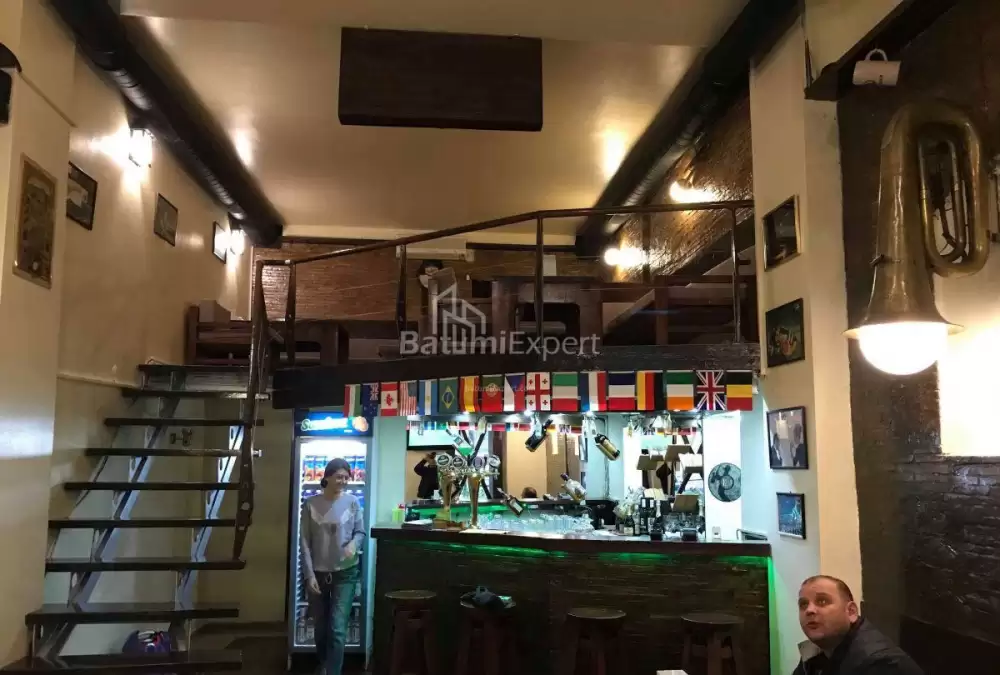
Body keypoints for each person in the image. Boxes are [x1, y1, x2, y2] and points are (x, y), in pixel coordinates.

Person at [301, 459, 366, 675]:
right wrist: (309, 574)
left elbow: (360, 532)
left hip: (346, 573)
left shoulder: (353, 502)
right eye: (339, 477)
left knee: (337, 628)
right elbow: (304, 542)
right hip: (318, 574)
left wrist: (354, 544)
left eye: (346, 477)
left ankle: (333, 671)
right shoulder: (310, 504)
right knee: (320, 628)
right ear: (327, 477)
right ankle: (324, 663)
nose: (343, 481)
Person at [794, 575, 923, 675]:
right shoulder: (816, 649)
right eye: (803, 604)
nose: (809, 610)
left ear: (851, 612)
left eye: (822, 601)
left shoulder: (881, 664)